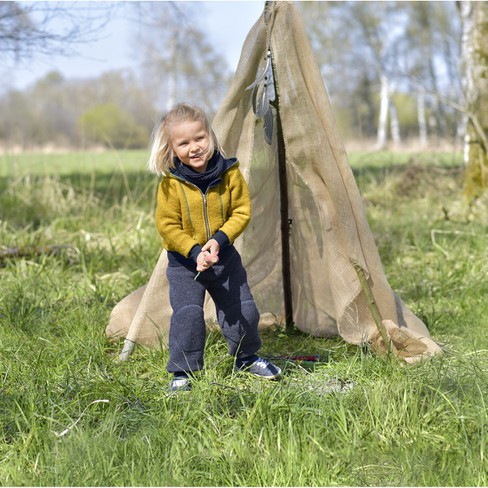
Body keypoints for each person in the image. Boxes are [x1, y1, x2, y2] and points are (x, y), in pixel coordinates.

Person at [147, 103, 282, 392]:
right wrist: (195, 252)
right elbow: (167, 226)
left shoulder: (230, 173)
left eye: (200, 138)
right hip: (185, 264)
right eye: (184, 143)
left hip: (225, 258)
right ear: (171, 149)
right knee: (188, 315)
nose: (194, 147)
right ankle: (184, 372)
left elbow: (241, 212)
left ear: (210, 136)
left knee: (243, 308)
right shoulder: (171, 185)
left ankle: (246, 357)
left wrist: (219, 240)